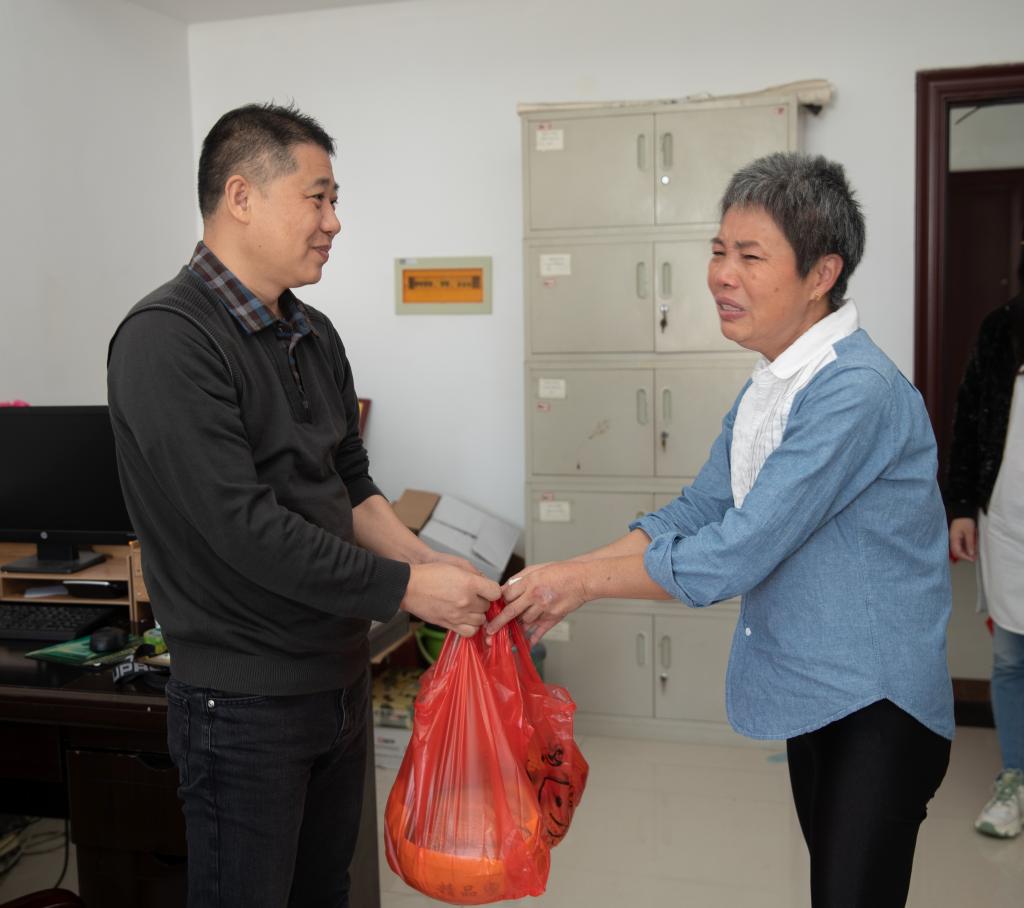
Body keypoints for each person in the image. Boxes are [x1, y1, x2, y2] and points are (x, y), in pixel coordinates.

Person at [489, 152, 954, 907]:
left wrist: (578, 583)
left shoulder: (855, 391)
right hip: (819, 690)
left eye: (749, 256)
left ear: (821, 273)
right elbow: (698, 510)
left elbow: (738, 550)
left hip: (877, 702)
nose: (720, 276)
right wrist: (556, 579)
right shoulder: (775, 383)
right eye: (717, 250)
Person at [107, 103, 500, 907]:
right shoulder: (166, 339)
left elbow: (349, 481)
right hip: (243, 703)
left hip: (336, 681)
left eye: (334, 200)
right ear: (241, 196)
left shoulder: (312, 331)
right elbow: (242, 529)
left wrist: (428, 562)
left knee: (326, 891)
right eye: (316, 199)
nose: (334, 222)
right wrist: (408, 591)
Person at [946, 248, 1024, 839]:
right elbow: (970, 420)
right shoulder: (1003, 329)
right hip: (1008, 522)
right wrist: (960, 506)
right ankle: (1014, 778)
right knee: (1011, 657)